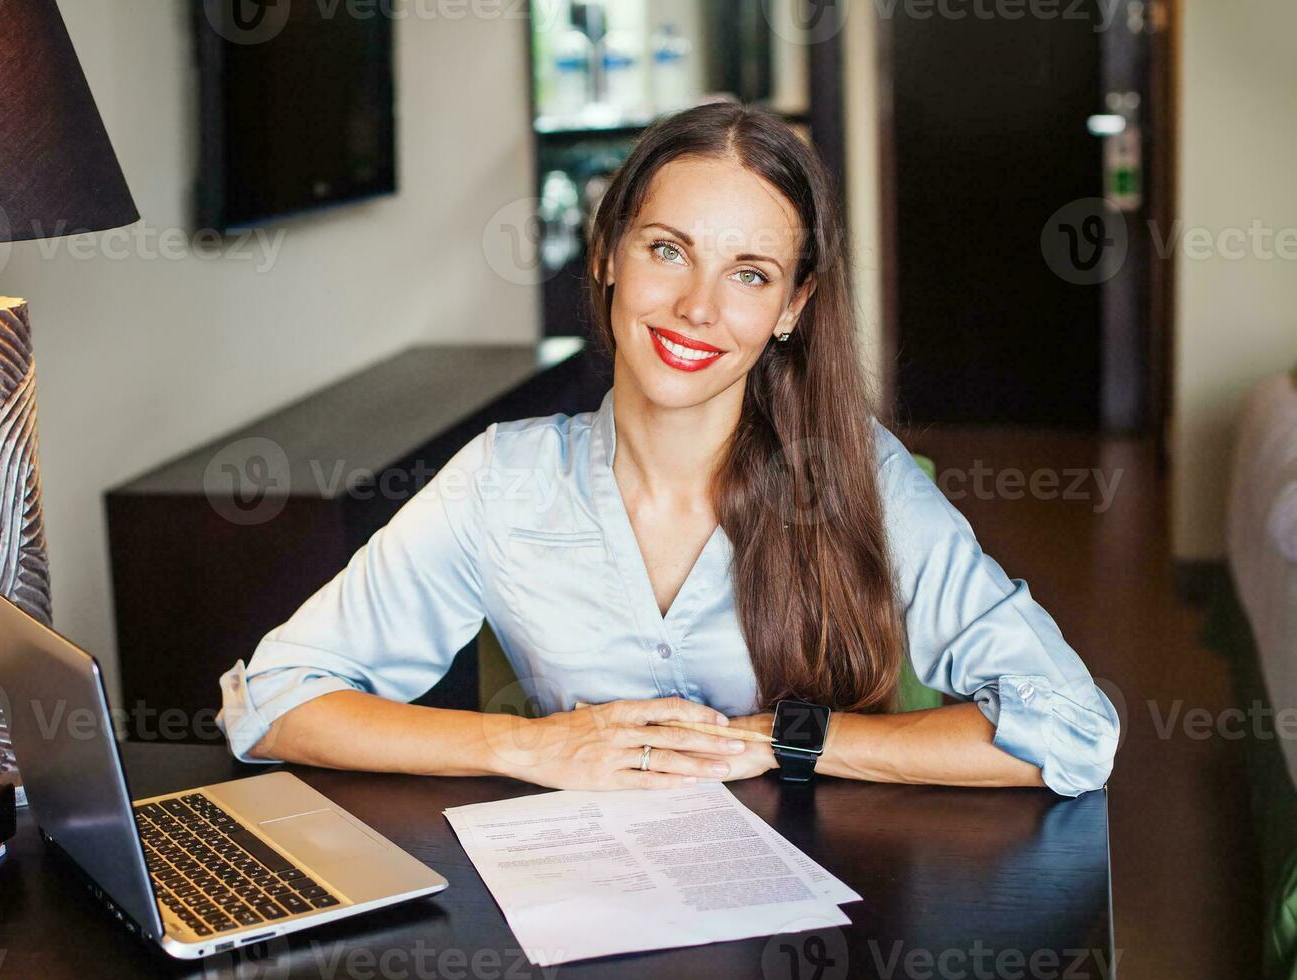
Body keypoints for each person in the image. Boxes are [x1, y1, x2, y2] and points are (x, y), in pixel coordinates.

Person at [216, 103, 1118, 798]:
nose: (697, 306)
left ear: (792, 309)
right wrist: (531, 746)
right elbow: (273, 701)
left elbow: (1072, 726)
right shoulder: (505, 481)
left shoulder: (855, 476)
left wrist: (777, 739)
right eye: (667, 250)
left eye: (750, 274)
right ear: (608, 254)